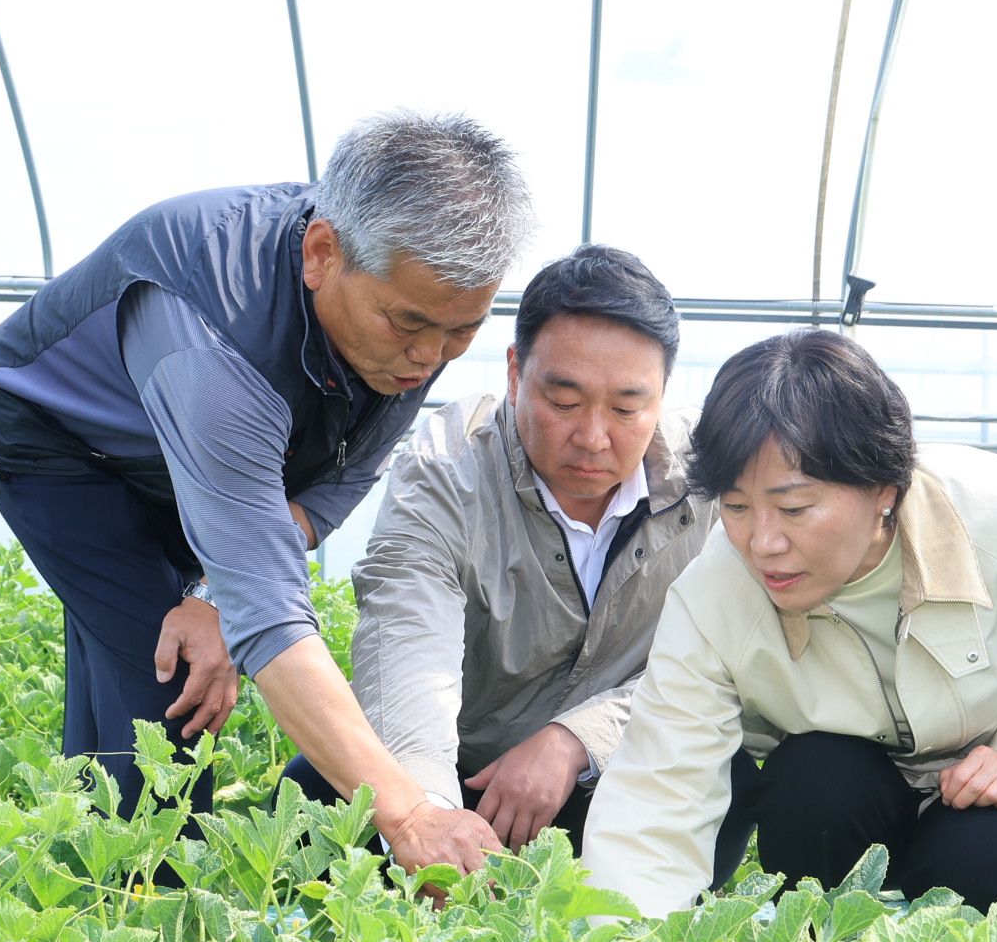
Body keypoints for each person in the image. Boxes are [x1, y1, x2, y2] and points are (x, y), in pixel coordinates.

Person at [0, 110, 533, 877]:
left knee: (146, 657)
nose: (428, 359)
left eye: (461, 333)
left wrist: (208, 592)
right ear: (323, 253)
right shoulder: (212, 333)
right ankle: (151, 921)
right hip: (57, 443)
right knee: (165, 682)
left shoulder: (393, 317)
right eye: (410, 325)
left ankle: (88, 881)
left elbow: (338, 477)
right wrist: (409, 813)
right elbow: (267, 609)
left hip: (174, 453)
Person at [584, 330, 997, 920]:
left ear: (883, 491)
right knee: (812, 785)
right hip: (844, 784)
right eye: (737, 507)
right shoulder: (713, 594)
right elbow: (662, 787)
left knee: (980, 876)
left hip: (990, 771)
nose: (763, 543)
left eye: (793, 508)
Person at [286, 245, 749, 873]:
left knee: (725, 774)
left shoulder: (717, 480)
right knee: (321, 792)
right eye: (562, 402)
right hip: (465, 772)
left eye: (625, 408)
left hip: (618, 772)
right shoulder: (448, 466)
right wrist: (429, 816)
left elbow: (731, 658)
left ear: (663, 393)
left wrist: (576, 741)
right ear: (514, 373)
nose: (592, 437)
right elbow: (408, 645)